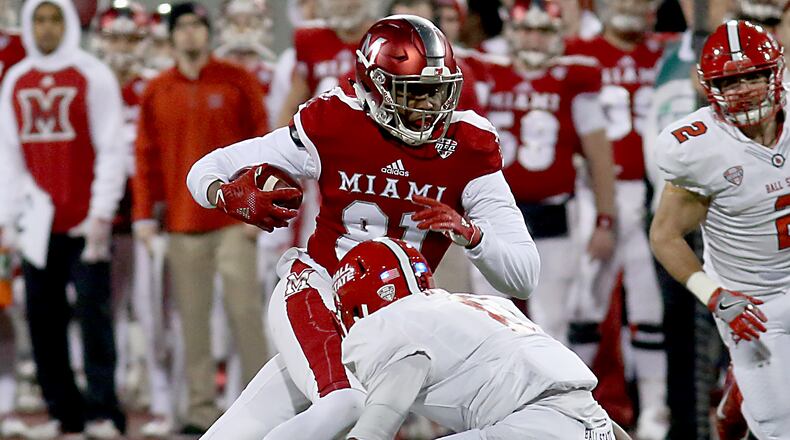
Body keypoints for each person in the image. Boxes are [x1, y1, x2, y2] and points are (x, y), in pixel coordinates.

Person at [188, 14, 540, 440]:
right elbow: (209, 167)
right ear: (374, 86)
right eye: (416, 93)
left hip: (394, 320)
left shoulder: (468, 146)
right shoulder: (336, 121)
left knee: (250, 422)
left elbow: (524, 277)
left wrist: (473, 236)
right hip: (319, 287)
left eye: (438, 92)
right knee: (346, 405)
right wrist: (225, 195)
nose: (430, 106)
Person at [132, 2, 270, 434]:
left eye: (197, 26)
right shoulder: (157, 90)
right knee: (191, 320)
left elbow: (264, 145)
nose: (190, 34)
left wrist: (255, 211)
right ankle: (200, 411)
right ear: (171, 37)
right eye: (183, 27)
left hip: (233, 222)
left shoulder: (237, 80)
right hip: (182, 225)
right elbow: (146, 158)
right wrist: (144, 218)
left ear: (208, 33)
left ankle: (267, 406)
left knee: (245, 312)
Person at [336, 237, 626, 440]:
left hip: (535, 424)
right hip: (593, 422)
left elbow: (376, 427)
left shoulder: (392, 323)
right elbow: (573, 407)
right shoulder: (485, 305)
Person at [650, 20, 790, 440]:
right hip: (752, 304)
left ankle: (739, 394)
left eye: (752, 75)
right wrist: (714, 295)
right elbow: (665, 235)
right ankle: (738, 402)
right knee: (778, 427)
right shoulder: (698, 147)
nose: (743, 89)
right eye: (730, 81)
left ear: (775, 73)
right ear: (709, 87)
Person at [0, 0, 128, 437]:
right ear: (29, 25)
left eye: (56, 18)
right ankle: (63, 412)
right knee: (42, 320)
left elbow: (112, 149)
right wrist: (12, 217)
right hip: (39, 226)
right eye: (40, 18)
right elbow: (9, 156)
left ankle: (103, 411)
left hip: (83, 222)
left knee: (95, 319)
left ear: (69, 23)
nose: (48, 27)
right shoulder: (15, 80)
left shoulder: (93, 75)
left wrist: (99, 215)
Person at [472, 0, 617, 343]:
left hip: (552, 211)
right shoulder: (484, 70)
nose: (534, 39)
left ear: (558, 35)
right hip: (493, 212)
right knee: (488, 320)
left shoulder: (574, 77)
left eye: (543, 31)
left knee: (551, 322)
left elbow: (599, 156)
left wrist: (605, 219)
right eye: (526, 30)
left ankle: (549, 397)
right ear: (511, 31)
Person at [564, 1, 668, 437]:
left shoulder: (670, 51)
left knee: (649, 306)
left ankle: (655, 412)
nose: (629, 5)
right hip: (592, 192)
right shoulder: (578, 51)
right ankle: (569, 408)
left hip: (652, 193)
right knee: (581, 304)